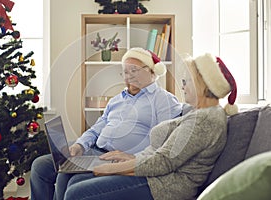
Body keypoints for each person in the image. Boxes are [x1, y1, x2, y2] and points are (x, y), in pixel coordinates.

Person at [62, 53, 239, 200]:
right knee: (72, 180)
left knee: (75, 192)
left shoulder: (204, 120)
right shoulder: (196, 112)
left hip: (164, 185)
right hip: (154, 173)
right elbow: (161, 154)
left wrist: (109, 169)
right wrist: (127, 159)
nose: (183, 86)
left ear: (204, 85)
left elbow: (163, 162)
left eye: (187, 81)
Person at [30, 47, 182, 200]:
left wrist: (133, 158)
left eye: (134, 70)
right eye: (125, 72)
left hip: (119, 159)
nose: (129, 76)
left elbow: (164, 143)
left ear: (151, 71)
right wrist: (80, 145)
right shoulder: (117, 99)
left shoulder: (164, 100)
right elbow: (96, 129)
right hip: (95, 150)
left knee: (67, 178)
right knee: (40, 166)